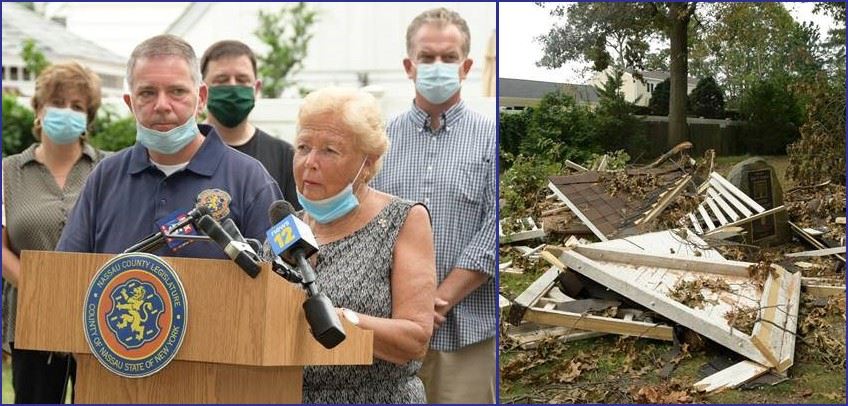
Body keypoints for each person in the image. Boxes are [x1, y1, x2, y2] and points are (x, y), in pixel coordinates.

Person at [56, 34, 282, 257]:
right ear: (130, 103)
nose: (162, 105)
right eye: (147, 93)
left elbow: (279, 281)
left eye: (177, 91)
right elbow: (67, 273)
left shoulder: (250, 180)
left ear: (201, 97)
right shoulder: (105, 178)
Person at [372, 7, 496, 404]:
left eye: (449, 57)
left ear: (467, 66)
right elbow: (367, 224)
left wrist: (434, 302)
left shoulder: (490, 139)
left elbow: (492, 230)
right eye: (427, 57)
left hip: (466, 335)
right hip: (388, 339)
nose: (437, 66)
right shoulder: (378, 143)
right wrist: (409, 312)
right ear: (410, 66)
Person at [295, 87, 436, 404]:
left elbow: (414, 339)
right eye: (303, 147)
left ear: (368, 164)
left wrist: (341, 318)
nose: (310, 162)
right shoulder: (285, 227)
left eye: (329, 150)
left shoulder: (404, 220)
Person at [2, 61, 108, 403]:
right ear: (38, 109)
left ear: (88, 118)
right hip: (31, 316)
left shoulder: (110, 169)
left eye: (77, 106)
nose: (67, 112)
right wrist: (41, 288)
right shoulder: (8, 172)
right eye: (58, 103)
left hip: (99, 316)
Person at [199, 40, 300, 209]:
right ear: (202, 90)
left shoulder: (284, 156)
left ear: (256, 88)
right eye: (221, 80)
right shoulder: (185, 152)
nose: (232, 87)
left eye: (242, 79)